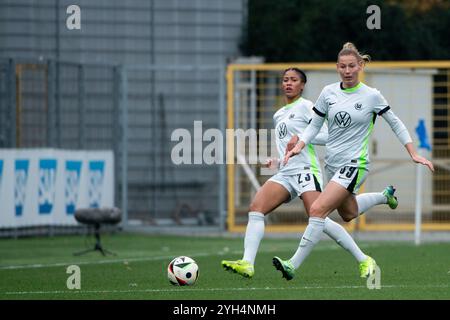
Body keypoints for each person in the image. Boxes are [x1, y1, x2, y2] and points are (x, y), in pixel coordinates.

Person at [274, 42, 434, 280]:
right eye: (342, 67)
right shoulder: (328, 93)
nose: (347, 71)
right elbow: (314, 126)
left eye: (351, 66)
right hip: (332, 165)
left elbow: (395, 122)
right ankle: (384, 196)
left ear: (360, 66)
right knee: (349, 213)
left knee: (317, 210)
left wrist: (412, 152)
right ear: (337, 68)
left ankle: (292, 265)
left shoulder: (371, 95)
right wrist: (299, 146)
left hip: (355, 164)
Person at [221, 67, 380, 280]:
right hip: (286, 173)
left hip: (307, 171)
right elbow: (287, 148)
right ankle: (247, 263)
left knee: (319, 218)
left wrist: (303, 137)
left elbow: (328, 135)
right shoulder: (279, 114)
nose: (288, 83)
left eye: (294, 80)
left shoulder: (307, 107)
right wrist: (276, 162)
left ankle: (363, 259)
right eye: (285, 79)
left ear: (302, 85)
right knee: (256, 207)